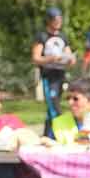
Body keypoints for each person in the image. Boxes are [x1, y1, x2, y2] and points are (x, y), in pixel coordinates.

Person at [30, 9, 74, 138]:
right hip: (48, 76)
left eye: (60, 19)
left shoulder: (62, 37)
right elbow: (35, 58)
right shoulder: (42, 37)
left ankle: (47, 136)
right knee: (54, 107)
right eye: (56, 20)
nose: (58, 22)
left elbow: (68, 53)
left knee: (53, 108)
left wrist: (70, 59)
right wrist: (51, 59)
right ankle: (59, 135)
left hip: (60, 75)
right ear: (49, 20)